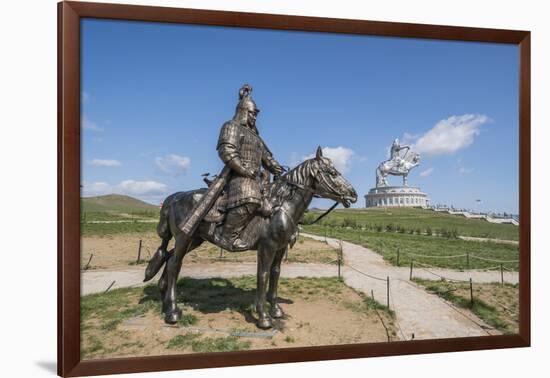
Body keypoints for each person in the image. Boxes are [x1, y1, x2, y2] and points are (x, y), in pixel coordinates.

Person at [215, 84, 283, 250]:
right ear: (244, 112)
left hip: (257, 180)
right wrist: (244, 170)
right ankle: (228, 236)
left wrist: (277, 168)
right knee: (250, 197)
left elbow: (267, 158)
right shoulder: (231, 126)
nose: (254, 117)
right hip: (238, 177)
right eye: (252, 113)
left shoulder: (256, 137)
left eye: (256, 114)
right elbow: (227, 150)